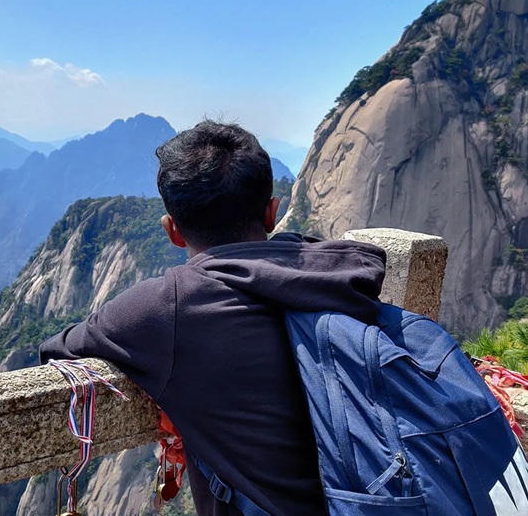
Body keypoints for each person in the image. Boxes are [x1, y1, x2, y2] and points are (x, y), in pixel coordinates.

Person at [39, 120, 387, 516]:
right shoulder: (341, 271)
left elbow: (56, 349)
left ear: (173, 231)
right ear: (272, 213)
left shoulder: (164, 308)